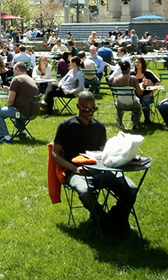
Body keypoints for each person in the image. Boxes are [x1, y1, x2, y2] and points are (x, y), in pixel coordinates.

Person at [51, 91, 138, 234]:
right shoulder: (66, 126)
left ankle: (117, 218)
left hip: (100, 169)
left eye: (93, 109)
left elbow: (105, 153)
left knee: (131, 188)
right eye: (86, 109)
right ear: (78, 106)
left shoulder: (99, 126)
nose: (90, 112)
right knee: (85, 191)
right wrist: (73, 169)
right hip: (77, 169)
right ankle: (101, 219)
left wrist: (124, 157)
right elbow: (55, 153)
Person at [0, 62, 38, 143]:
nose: (13, 73)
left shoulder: (17, 79)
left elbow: (10, 100)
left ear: (17, 70)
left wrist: (7, 106)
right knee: (16, 108)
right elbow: (22, 95)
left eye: (13, 71)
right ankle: (22, 131)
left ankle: (5, 136)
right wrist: (9, 91)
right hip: (34, 111)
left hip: (23, 112)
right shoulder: (30, 79)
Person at [110, 60, 143, 129]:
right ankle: (135, 124)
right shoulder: (133, 79)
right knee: (138, 108)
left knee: (118, 107)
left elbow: (115, 92)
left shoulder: (115, 80)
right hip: (133, 104)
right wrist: (142, 86)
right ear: (128, 68)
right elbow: (140, 93)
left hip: (121, 104)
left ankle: (120, 123)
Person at [131, 57, 160, 125]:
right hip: (135, 95)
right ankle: (135, 118)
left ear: (143, 63)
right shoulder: (132, 73)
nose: (137, 64)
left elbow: (157, 82)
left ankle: (147, 119)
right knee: (135, 102)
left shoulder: (148, 73)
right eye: (136, 62)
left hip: (146, 94)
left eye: (139, 62)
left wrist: (152, 93)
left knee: (144, 102)